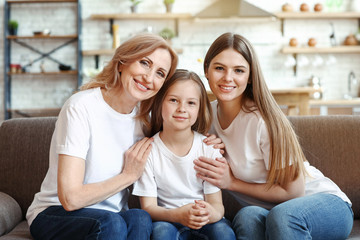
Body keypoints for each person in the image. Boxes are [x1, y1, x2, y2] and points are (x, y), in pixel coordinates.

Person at [193, 32, 353, 240]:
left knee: (283, 215)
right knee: (247, 216)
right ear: (206, 70)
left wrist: (230, 182)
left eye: (239, 70)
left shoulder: (263, 121)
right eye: (219, 68)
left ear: (250, 76)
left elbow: (293, 192)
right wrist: (204, 145)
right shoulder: (204, 116)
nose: (227, 78)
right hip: (269, 212)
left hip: (325, 205)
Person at [26, 33, 178, 239]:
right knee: (112, 222)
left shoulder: (146, 121)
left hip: (109, 218)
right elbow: (70, 199)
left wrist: (210, 140)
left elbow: (181, 137)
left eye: (160, 73)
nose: (149, 78)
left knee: (139, 218)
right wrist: (128, 176)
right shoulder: (81, 107)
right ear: (122, 62)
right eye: (144, 63)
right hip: (55, 214)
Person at [133, 69, 236, 240]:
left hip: (206, 221)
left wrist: (211, 213)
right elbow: (149, 208)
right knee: (161, 234)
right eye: (174, 100)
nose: (182, 109)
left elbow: (217, 206)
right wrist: (177, 215)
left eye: (191, 103)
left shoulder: (208, 148)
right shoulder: (148, 151)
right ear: (159, 103)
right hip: (167, 219)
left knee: (223, 233)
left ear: (199, 109)